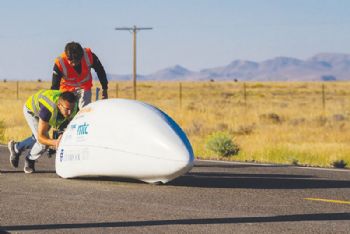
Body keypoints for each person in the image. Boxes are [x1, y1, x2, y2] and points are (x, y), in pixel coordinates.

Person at [8, 90, 78, 173]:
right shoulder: (47, 110)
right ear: (59, 105)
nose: (70, 112)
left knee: (36, 137)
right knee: (43, 143)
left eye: (72, 109)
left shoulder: (73, 106)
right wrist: (55, 142)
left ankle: (16, 147)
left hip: (48, 110)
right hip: (31, 111)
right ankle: (29, 159)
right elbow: (41, 138)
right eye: (67, 109)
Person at [51, 41, 109, 109]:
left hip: (84, 88)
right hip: (66, 90)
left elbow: (100, 71)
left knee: (84, 111)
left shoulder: (89, 56)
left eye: (76, 61)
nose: (73, 64)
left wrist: (105, 89)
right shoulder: (60, 62)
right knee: (66, 111)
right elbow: (55, 85)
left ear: (81, 57)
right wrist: (53, 102)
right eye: (70, 60)